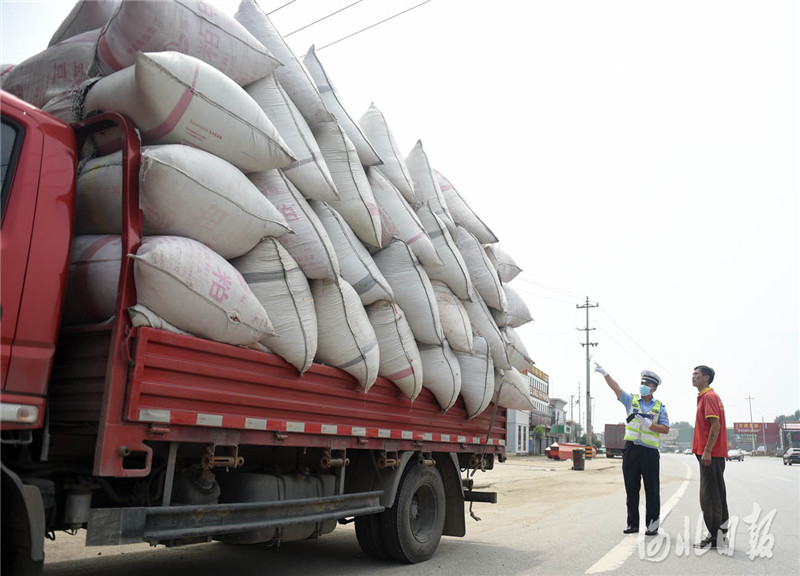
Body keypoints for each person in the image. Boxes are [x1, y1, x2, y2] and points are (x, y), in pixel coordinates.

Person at [594, 363, 670, 536]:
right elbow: (616, 388)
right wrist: (606, 374)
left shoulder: (660, 407)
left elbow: (665, 429)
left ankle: (652, 526)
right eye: (642, 382)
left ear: (654, 388)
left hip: (649, 453)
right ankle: (632, 524)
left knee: (652, 490)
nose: (643, 386)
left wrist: (651, 425)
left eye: (647, 384)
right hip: (630, 451)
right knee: (631, 488)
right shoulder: (631, 400)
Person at [691, 365, 729, 549]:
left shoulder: (709, 397)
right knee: (717, 494)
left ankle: (715, 537)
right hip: (711, 454)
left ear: (706, 378)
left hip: (710, 455)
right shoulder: (705, 397)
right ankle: (720, 536)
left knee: (710, 496)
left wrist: (706, 450)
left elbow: (715, 426)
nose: (693, 377)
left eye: (696, 374)